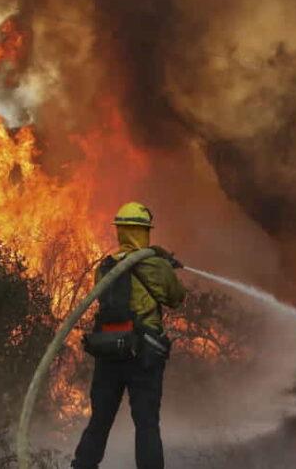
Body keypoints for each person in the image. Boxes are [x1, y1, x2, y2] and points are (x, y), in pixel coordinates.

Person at [72, 201, 186, 469]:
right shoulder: (154, 266)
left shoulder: (106, 266)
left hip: (108, 351)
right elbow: (175, 297)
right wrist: (165, 266)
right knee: (146, 424)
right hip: (142, 355)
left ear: (120, 231)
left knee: (99, 420)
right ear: (145, 231)